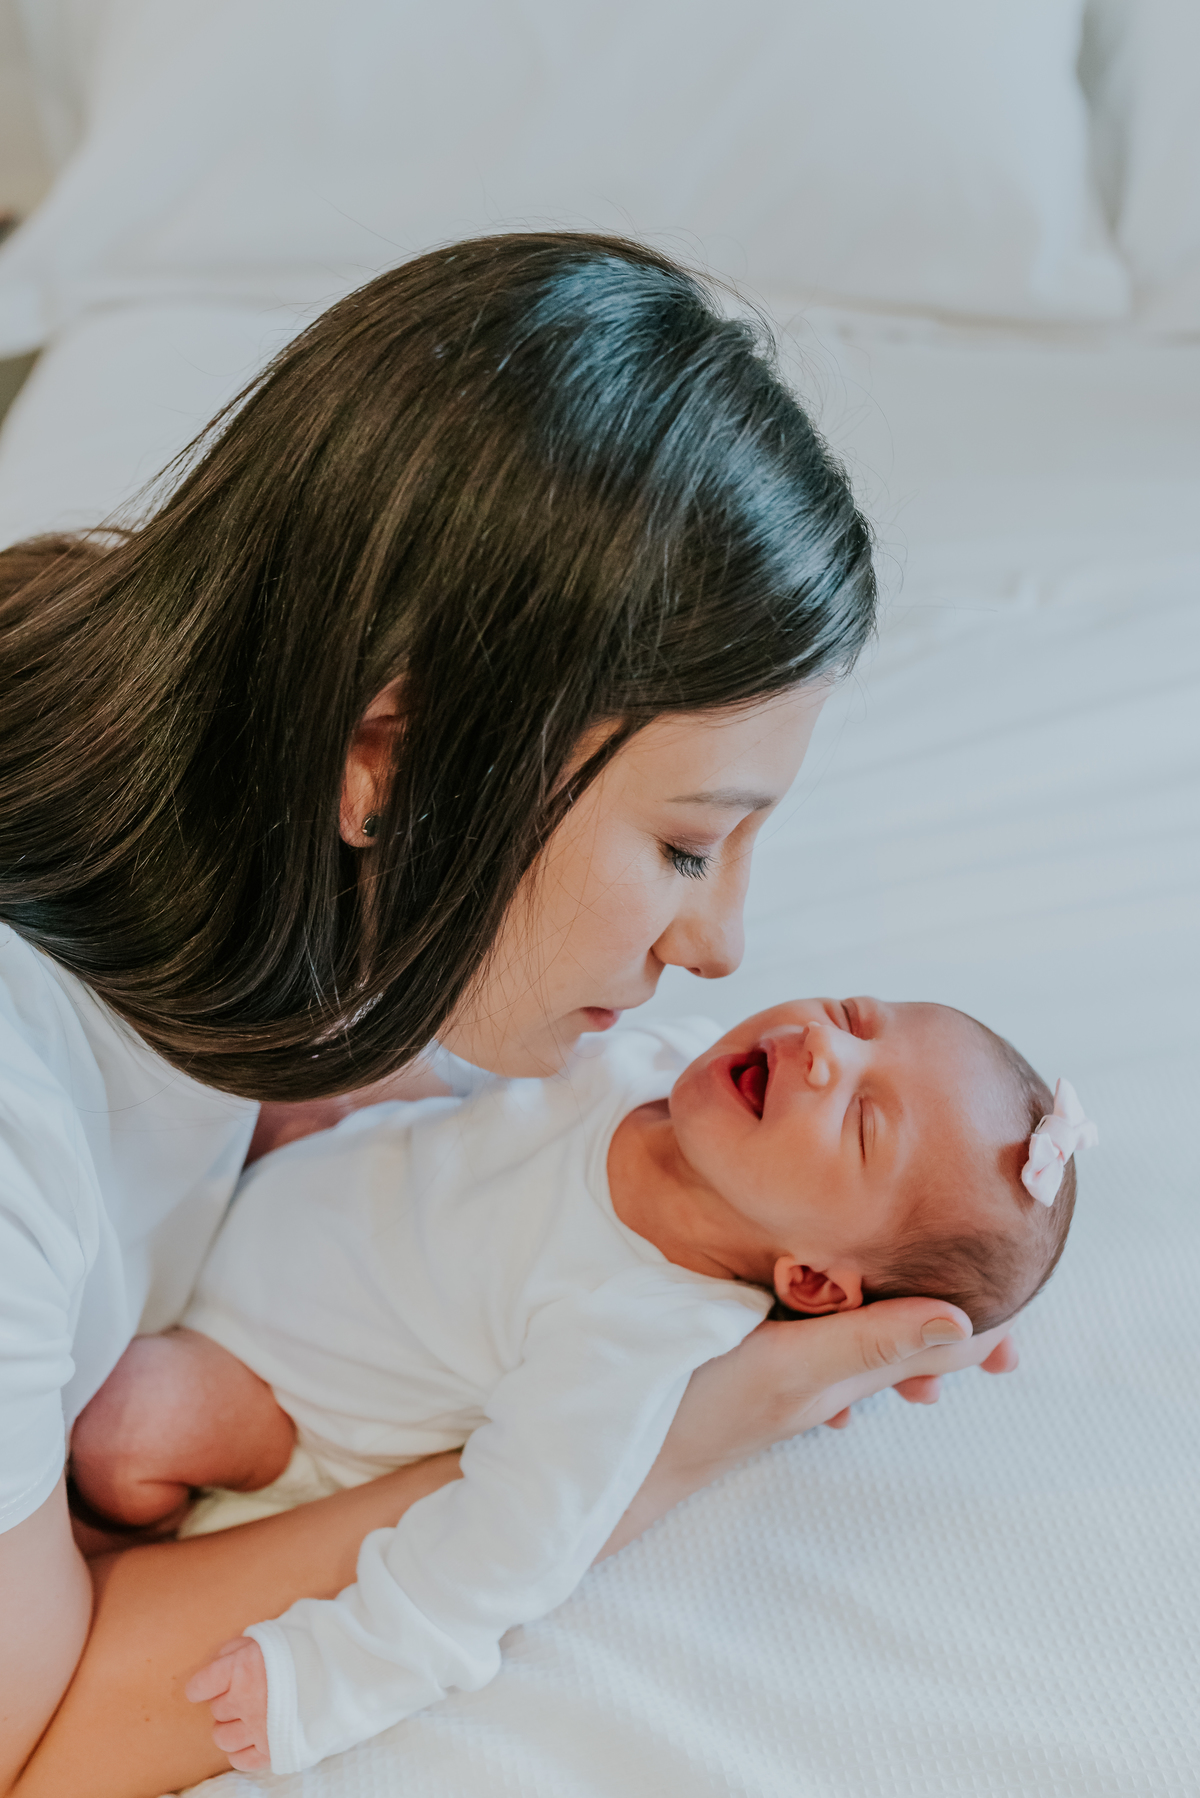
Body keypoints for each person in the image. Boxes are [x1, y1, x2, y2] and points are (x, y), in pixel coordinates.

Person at [0, 234, 1015, 1798]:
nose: (725, 941)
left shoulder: (131, 742)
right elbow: (32, 1742)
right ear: (387, 761)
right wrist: (646, 1447)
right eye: (686, 844)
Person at [70, 995, 1091, 1776]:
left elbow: (500, 1558)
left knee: (126, 1425)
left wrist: (322, 1676)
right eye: (861, 1015)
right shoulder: (652, 1059)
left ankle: (111, 1535)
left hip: (274, 1384)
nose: (829, 1045)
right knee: (286, 1046)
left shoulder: (635, 1337)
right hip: (318, 1180)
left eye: (863, 1120)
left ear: (814, 1280)